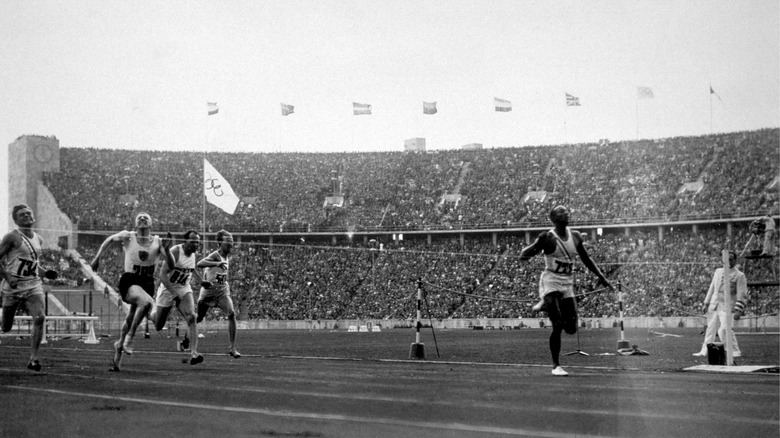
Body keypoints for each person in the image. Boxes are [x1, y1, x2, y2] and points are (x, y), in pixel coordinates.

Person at [519, 205, 614, 376]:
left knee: (570, 328)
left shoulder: (575, 236)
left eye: (567, 211)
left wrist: (602, 278)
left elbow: (586, 259)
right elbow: (523, 256)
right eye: (562, 213)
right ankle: (556, 365)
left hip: (567, 284)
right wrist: (537, 243)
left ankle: (545, 304)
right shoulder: (548, 238)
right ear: (554, 219)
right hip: (551, 282)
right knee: (557, 324)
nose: (567, 214)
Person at [90, 212, 169, 371]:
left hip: (147, 283)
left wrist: (167, 248)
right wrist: (97, 258)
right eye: (139, 217)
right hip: (130, 280)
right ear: (135, 224)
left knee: (132, 315)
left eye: (146, 217)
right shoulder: (128, 236)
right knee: (147, 303)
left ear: (151, 224)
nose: (142, 218)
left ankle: (117, 355)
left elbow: (169, 260)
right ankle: (130, 339)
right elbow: (109, 240)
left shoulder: (157, 241)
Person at [0, 204, 58, 371]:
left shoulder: (38, 239)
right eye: (22, 215)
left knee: (40, 318)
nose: (26, 216)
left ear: (33, 217)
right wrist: (8, 276)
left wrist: (46, 273)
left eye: (28, 213)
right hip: (13, 286)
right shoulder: (11, 237)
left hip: (33, 285)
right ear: (16, 220)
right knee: (6, 327)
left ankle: (33, 359)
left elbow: (32, 265)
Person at [148, 230, 203, 365]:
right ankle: (150, 311)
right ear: (185, 241)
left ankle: (194, 353)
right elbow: (162, 275)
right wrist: (173, 292)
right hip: (167, 289)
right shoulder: (176, 251)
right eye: (193, 241)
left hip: (184, 288)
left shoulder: (193, 254)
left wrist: (202, 281)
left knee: (192, 317)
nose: (196, 244)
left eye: (197, 241)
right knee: (158, 325)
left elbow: (192, 268)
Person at [192, 229, 240, 358]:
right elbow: (200, 263)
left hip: (222, 292)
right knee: (199, 317)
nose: (231, 243)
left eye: (232, 241)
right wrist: (217, 263)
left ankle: (232, 348)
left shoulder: (227, 256)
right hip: (208, 293)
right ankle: (187, 338)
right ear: (219, 242)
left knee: (231, 313)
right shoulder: (216, 255)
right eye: (228, 241)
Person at [693, 250, 747, 358]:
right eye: (726, 260)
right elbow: (712, 288)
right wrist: (706, 303)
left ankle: (734, 351)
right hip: (714, 304)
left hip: (727, 307)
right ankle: (705, 350)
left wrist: (738, 310)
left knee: (724, 329)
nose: (728, 262)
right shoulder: (718, 271)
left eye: (731, 259)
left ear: (735, 260)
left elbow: (742, 293)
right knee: (710, 329)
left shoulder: (739, 275)